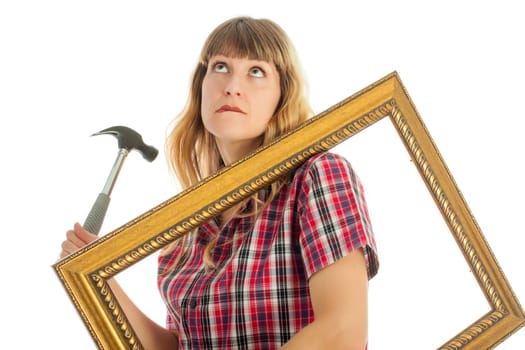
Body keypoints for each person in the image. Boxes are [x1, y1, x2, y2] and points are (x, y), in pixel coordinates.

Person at [60, 16, 379, 350]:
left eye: (256, 71)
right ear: (201, 84)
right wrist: (101, 281)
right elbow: (180, 346)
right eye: (221, 66)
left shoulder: (318, 176)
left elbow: (344, 332)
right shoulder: (187, 227)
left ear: (282, 94)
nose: (232, 86)